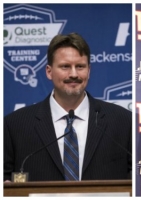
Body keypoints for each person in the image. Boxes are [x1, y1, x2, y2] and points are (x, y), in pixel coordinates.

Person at [4, 33, 132, 182]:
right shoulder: (15, 125)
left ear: (89, 71)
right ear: (49, 71)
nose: (73, 74)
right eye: (65, 66)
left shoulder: (122, 121)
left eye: (80, 66)